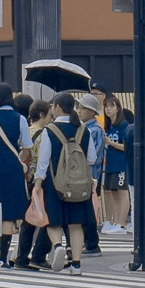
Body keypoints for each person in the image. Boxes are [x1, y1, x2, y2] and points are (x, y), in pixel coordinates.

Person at [35, 92, 97, 273]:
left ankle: (57, 246)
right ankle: (76, 264)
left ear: (58, 107)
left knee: (53, 222)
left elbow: (43, 160)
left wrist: (38, 183)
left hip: (55, 183)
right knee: (76, 225)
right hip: (79, 185)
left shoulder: (50, 130)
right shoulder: (84, 130)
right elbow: (92, 158)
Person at [0, 81, 33, 271]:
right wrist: (18, 159)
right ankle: (3, 258)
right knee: (8, 215)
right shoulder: (20, 119)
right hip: (12, 169)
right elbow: (27, 148)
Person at [19, 98, 54, 269]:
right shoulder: (43, 134)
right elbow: (43, 160)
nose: (51, 118)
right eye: (49, 115)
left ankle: (21, 256)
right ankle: (39, 255)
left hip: (24, 180)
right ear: (41, 114)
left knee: (28, 220)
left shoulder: (24, 131)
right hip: (38, 181)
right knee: (47, 218)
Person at [75, 93, 106, 255]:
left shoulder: (93, 130)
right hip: (87, 174)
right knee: (85, 209)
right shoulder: (87, 128)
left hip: (89, 174)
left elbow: (90, 156)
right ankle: (88, 242)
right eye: (79, 108)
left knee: (86, 209)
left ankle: (91, 243)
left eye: (83, 108)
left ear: (92, 112)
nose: (79, 111)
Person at [99, 93, 131, 234]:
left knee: (122, 192)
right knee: (113, 193)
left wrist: (110, 143)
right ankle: (116, 222)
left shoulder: (123, 125)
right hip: (110, 164)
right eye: (106, 106)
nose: (108, 109)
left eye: (111, 106)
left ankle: (122, 224)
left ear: (118, 108)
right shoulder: (108, 126)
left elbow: (126, 146)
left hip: (121, 164)